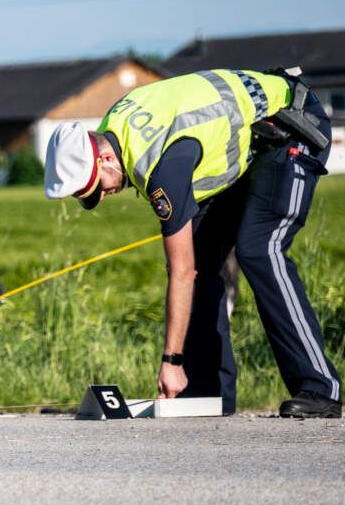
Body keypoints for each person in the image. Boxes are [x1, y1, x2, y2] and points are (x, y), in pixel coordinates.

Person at [43, 68, 339, 418]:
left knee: (259, 248)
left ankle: (321, 388)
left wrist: (172, 360)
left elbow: (181, 272)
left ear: (105, 158)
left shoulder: (159, 166)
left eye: (95, 188)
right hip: (254, 142)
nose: (102, 197)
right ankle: (207, 393)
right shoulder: (114, 129)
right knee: (201, 257)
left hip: (291, 124)